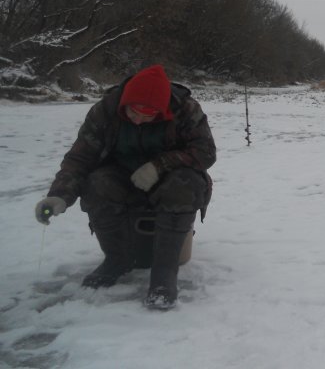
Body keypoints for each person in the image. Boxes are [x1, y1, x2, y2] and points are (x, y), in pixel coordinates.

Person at [34, 64, 216, 310]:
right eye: (134, 112)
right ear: (124, 104)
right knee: (96, 183)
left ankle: (164, 274)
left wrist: (159, 165)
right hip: (121, 178)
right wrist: (58, 196)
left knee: (185, 183)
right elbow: (81, 158)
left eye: (149, 115)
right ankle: (117, 260)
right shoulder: (105, 111)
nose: (140, 120)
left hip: (171, 179)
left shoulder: (186, 110)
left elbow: (205, 152)